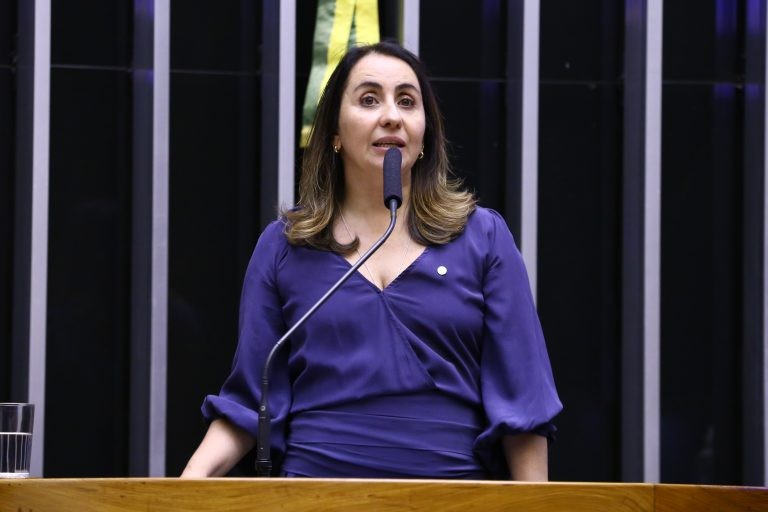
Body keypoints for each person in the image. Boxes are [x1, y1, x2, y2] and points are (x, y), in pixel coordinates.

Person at [181, 41, 562, 480]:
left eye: (407, 101)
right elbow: (251, 403)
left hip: (451, 498)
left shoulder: (483, 238)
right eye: (368, 99)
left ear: (425, 134)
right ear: (334, 133)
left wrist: (534, 505)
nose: (392, 116)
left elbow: (524, 406)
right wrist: (184, 491)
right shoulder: (285, 246)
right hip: (314, 498)